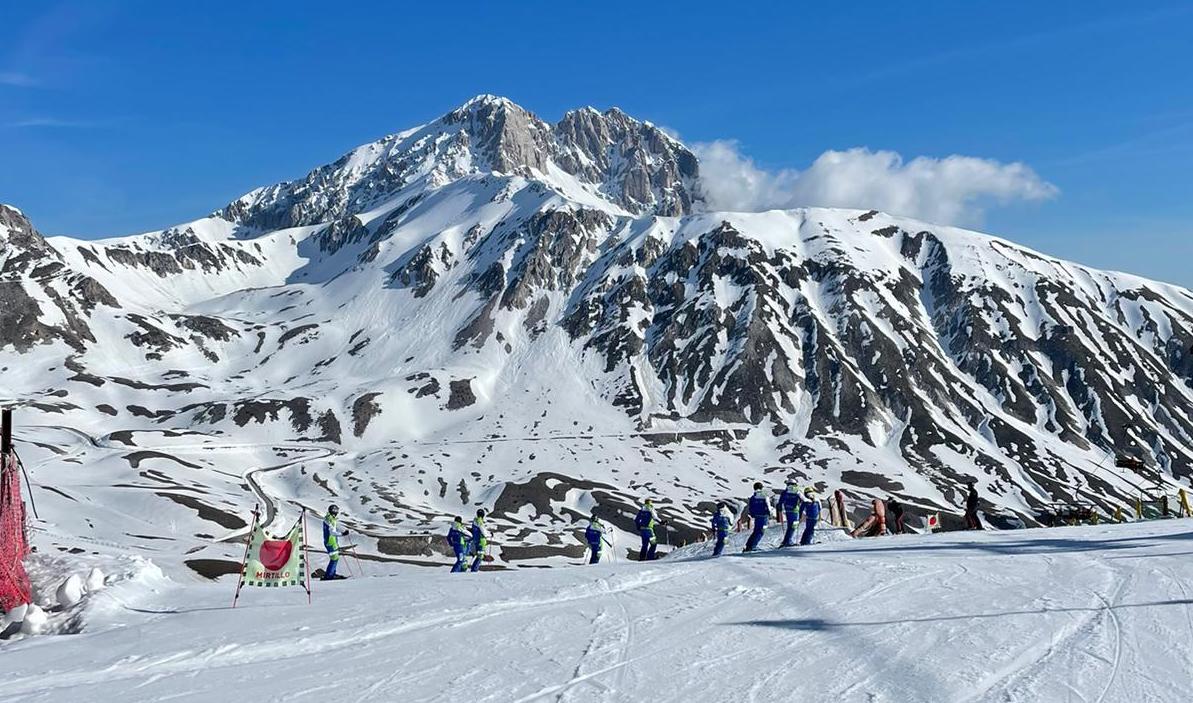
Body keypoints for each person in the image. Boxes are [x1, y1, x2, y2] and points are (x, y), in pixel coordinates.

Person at [322, 504, 349, 580]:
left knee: (335, 558)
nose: (337, 512)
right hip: (331, 542)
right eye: (336, 510)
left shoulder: (328, 518)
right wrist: (342, 534)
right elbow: (332, 532)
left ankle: (331, 573)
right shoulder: (331, 520)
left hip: (331, 541)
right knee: (334, 559)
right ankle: (329, 576)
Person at [743, 482, 769, 552]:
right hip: (764, 515)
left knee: (756, 531)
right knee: (761, 531)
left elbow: (750, 507)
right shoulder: (764, 495)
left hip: (757, 516)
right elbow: (768, 505)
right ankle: (753, 546)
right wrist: (770, 513)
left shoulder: (753, 497)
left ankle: (748, 545)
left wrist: (752, 514)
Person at [777, 481, 803, 547]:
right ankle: (787, 541)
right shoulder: (797, 491)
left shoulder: (785, 492)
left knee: (790, 526)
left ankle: (786, 541)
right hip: (795, 510)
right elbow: (803, 499)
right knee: (793, 526)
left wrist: (780, 508)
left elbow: (780, 502)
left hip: (787, 510)